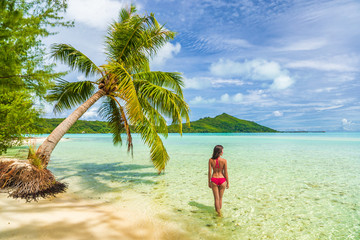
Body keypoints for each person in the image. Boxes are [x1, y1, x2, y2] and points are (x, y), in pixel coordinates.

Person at [208, 145, 229, 216]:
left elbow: (209, 172)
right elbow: (225, 172)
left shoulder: (210, 160)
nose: (223, 152)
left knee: (216, 199)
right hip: (222, 179)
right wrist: (228, 183)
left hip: (214, 179)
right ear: (219, 152)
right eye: (222, 151)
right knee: (220, 198)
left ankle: (218, 214)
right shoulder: (224, 161)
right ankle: (219, 213)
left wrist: (209, 182)